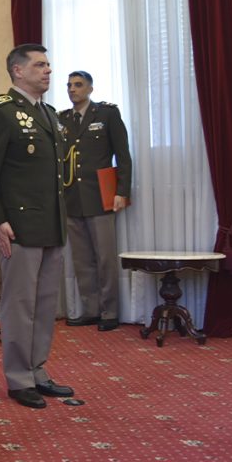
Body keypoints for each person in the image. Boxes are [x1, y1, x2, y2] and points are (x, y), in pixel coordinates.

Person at [0, 44, 73, 410]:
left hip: (50, 224)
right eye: (40, 65)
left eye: (48, 64)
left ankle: (37, 370)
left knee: (45, 305)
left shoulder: (48, 113)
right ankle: (18, 378)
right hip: (18, 226)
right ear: (18, 71)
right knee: (19, 305)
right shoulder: (1, 113)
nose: (48, 70)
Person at [58, 71, 132, 332]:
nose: (72, 89)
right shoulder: (62, 119)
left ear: (90, 88)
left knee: (105, 258)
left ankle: (109, 312)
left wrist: (122, 191)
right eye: (69, 85)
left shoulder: (107, 114)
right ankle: (90, 310)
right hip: (72, 197)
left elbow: (123, 155)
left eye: (78, 85)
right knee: (81, 259)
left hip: (100, 195)